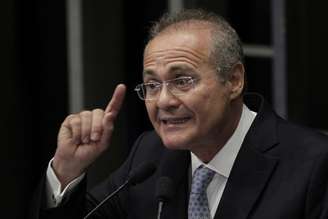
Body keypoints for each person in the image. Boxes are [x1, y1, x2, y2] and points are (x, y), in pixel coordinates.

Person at [29, 9, 328, 219]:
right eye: (151, 85)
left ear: (234, 81)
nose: (163, 101)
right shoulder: (149, 155)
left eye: (182, 81)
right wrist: (67, 171)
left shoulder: (314, 165)